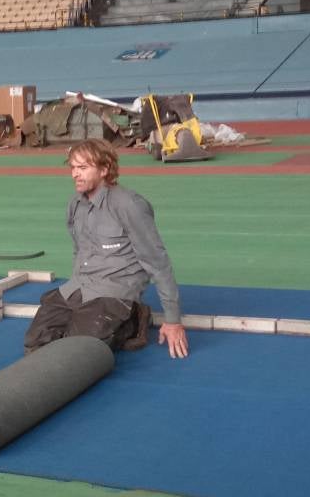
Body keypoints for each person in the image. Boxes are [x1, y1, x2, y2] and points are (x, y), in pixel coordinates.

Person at [22, 138, 189, 359]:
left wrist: (173, 320)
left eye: (82, 168)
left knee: (77, 352)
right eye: (72, 167)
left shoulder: (129, 205)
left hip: (115, 290)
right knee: (35, 342)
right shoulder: (75, 204)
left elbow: (157, 262)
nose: (74, 174)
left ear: (104, 169)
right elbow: (79, 251)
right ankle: (91, 319)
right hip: (80, 287)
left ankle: (131, 320)